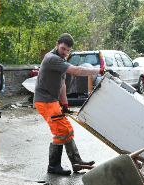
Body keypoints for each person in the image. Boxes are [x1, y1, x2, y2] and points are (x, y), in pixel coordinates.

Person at [34, 33, 108, 176]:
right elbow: (77, 71)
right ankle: (53, 166)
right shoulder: (51, 59)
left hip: (52, 101)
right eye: (63, 49)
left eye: (68, 50)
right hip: (45, 101)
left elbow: (62, 84)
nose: (65, 53)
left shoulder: (61, 58)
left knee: (67, 129)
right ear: (57, 44)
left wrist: (65, 104)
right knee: (60, 132)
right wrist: (100, 70)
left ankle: (77, 163)